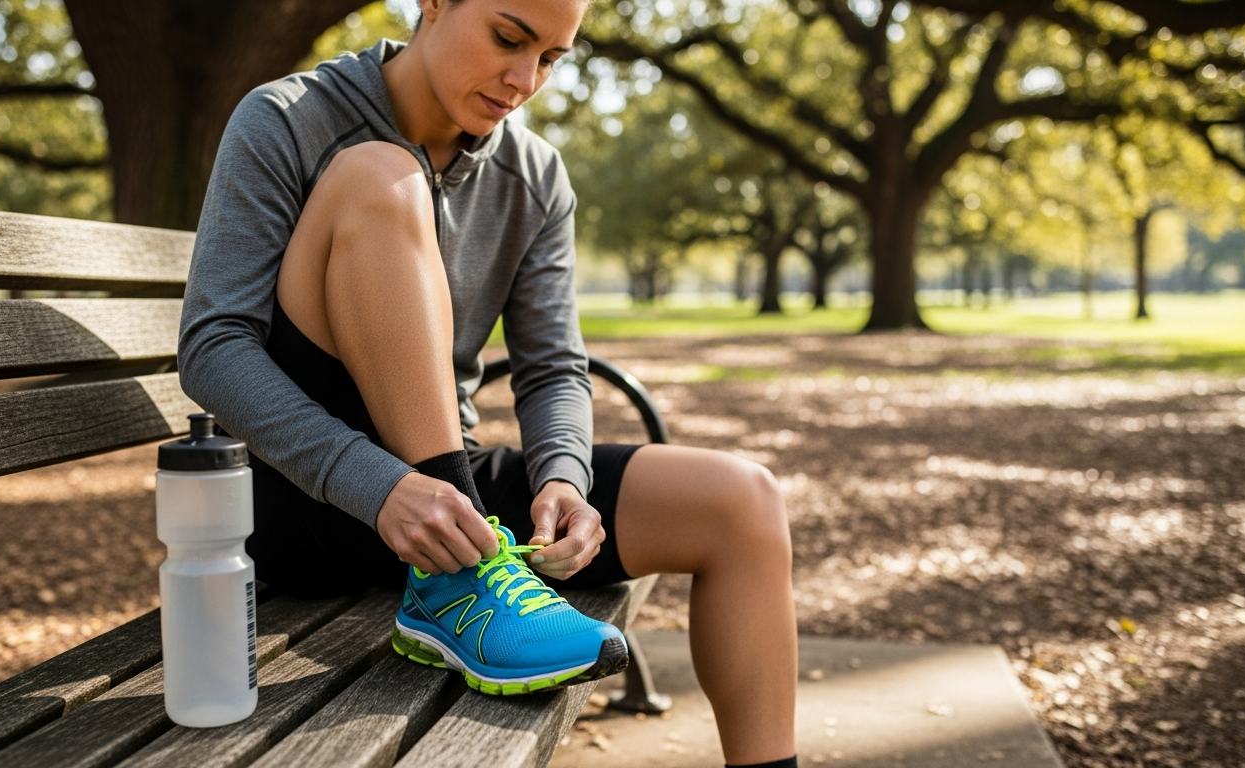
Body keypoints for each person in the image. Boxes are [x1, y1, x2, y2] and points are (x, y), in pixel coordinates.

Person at [177, 0, 798, 764]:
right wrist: (379, 485)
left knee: (744, 503)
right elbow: (213, 346)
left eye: (551, 58)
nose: (523, 79)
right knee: (382, 170)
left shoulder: (534, 175)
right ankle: (457, 582)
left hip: (457, 499)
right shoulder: (287, 117)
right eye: (508, 38)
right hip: (309, 501)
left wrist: (564, 480)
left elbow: (552, 367)